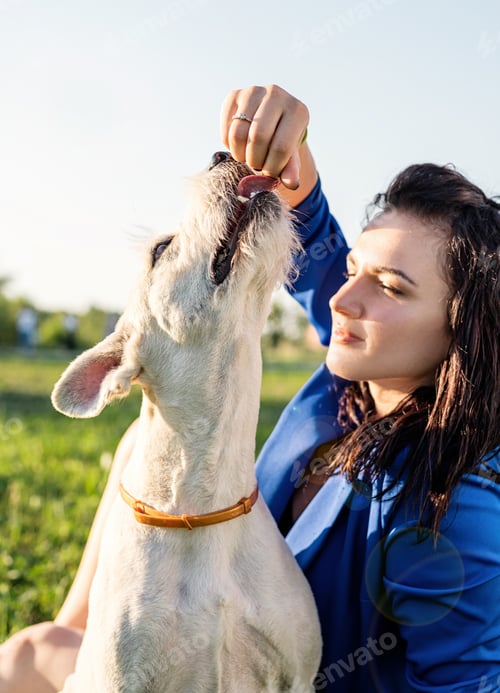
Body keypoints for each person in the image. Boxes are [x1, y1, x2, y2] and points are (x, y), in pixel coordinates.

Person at [1, 84, 499, 692]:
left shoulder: (458, 503)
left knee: (32, 656)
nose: (341, 300)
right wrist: (285, 135)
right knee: (43, 641)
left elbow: (464, 681)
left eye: (390, 287)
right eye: (352, 271)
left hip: (269, 669)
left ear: (464, 333)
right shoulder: (365, 361)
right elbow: (306, 222)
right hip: (191, 611)